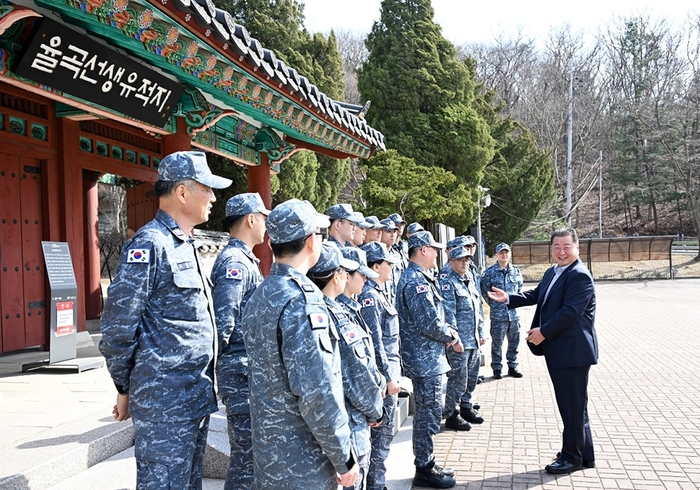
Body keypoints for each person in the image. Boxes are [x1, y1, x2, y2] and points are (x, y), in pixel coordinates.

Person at [99, 150, 231, 489]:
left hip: (193, 396)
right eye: (208, 188)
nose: (214, 197)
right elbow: (117, 327)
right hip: (164, 403)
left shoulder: (184, 244)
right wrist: (124, 387)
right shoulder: (150, 244)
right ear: (183, 192)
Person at [241, 199, 359, 489]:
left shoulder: (262, 293)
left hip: (269, 456)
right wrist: (343, 456)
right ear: (310, 242)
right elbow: (317, 392)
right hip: (304, 462)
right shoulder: (303, 303)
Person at [487, 227, 598, 475]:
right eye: (557, 246)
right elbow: (539, 294)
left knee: (572, 406)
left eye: (566, 246)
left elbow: (570, 312)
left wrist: (543, 332)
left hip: (573, 353)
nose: (561, 251)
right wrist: (509, 298)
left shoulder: (579, 275)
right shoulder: (554, 272)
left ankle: (572, 457)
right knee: (575, 406)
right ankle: (583, 453)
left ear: (576, 247)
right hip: (562, 351)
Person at [308, 244, 385, 490]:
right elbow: (357, 376)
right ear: (337, 275)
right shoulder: (334, 315)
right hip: (348, 428)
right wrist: (376, 410)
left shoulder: (313, 309)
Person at [210, 192, 270, 490]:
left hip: (248, 369)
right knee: (246, 458)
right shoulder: (235, 262)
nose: (266, 225)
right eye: (263, 218)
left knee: (251, 455)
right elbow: (223, 323)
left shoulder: (246, 259)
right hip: (239, 370)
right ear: (250, 219)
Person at [396, 230, 462, 489]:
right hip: (424, 361)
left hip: (428, 359)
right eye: (434, 248)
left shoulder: (420, 277)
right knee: (427, 415)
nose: (437, 253)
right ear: (423, 250)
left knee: (430, 412)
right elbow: (429, 322)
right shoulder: (415, 281)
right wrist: (452, 336)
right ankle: (424, 467)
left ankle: (428, 461)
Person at [359, 241, 402, 490]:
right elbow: (375, 343)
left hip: (390, 372)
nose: (391, 268)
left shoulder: (378, 293)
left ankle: (378, 482)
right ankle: (376, 485)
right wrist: (387, 376)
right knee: (380, 436)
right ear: (375, 266)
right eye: (387, 263)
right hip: (383, 378)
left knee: (383, 437)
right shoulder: (369, 298)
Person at [440, 247, 486, 430]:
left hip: (473, 339)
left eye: (467, 259)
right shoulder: (447, 283)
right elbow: (448, 314)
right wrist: (454, 340)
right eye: (460, 260)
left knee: (471, 377)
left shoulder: (469, 279)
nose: (464, 263)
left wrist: (481, 332)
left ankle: (466, 406)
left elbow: (478, 308)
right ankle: (452, 414)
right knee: (458, 379)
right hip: (460, 342)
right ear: (451, 262)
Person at [481, 242, 524, 380]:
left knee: (514, 342)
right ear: (496, 255)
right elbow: (485, 291)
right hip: (498, 315)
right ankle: (497, 368)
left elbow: (519, 290)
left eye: (506, 252)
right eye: (501, 253)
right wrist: (494, 305)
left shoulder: (516, 271)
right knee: (497, 343)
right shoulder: (489, 273)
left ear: (509, 254)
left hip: (514, 314)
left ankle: (512, 366)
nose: (504, 255)